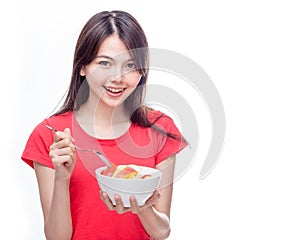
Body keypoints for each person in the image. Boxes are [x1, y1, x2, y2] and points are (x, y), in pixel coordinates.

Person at [21, 10, 187, 240]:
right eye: (105, 63)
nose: (118, 78)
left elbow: (161, 232)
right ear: (83, 66)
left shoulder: (160, 129)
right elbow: (56, 237)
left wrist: (143, 207)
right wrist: (62, 177)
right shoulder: (51, 136)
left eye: (130, 65)